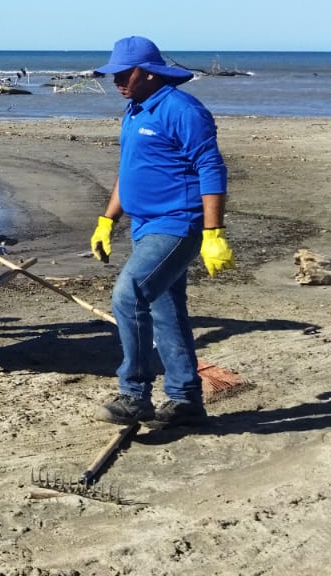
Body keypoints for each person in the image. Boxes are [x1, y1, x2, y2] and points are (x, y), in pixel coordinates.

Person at [90, 36, 235, 429]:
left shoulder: (182, 109)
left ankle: (135, 394)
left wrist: (212, 232)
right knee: (166, 309)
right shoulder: (134, 110)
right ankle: (186, 399)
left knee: (129, 293)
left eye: (124, 73)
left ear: (149, 73)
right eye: (112, 73)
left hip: (177, 223)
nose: (116, 80)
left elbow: (212, 168)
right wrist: (108, 220)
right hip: (144, 225)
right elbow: (128, 171)